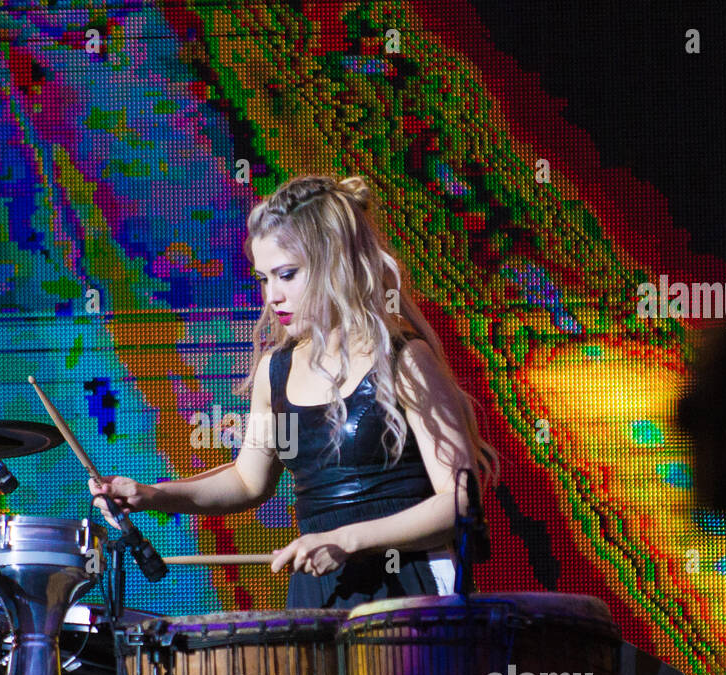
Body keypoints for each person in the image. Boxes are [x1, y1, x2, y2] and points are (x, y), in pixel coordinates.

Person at [90, 173, 498, 608]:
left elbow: (459, 501)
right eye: (264, 279)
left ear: (333, 263)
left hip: (411, 585)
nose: (272, 296)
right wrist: (153, 495)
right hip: (321, 590)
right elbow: (249, 481)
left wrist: (348, 539)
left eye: (287, 275)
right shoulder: (276, 372)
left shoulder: (405, 359)